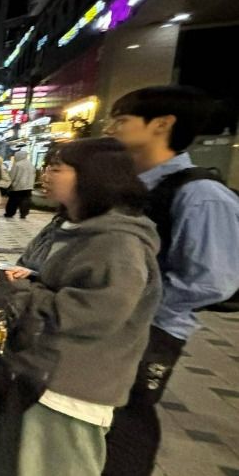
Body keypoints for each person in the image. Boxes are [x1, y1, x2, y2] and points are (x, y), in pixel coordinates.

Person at [0, 137, 161, 476]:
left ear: (93, 176)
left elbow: (96, 312)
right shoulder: (71, 227)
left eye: (57, 168)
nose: (45, 175)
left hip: (71, 389)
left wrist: (21, 291)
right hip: (39, 374)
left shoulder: (118, 242)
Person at [101, 86, 239, 475]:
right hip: (112, 320)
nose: (110, 129)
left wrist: (136, 303)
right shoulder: (130, 185)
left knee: (127, 415)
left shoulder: (201, 194)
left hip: (153, 329)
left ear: (162, 124)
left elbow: (213, 280)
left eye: (122, 120)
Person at [5, 149, 34, 219]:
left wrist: (10, 184)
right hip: (29, 186)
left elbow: (12, 175)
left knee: (13, 201)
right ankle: (23, 214)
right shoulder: (31, 164)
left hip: (18, 186)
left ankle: (10, 213)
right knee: (26, 200)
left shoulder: (17, 164)